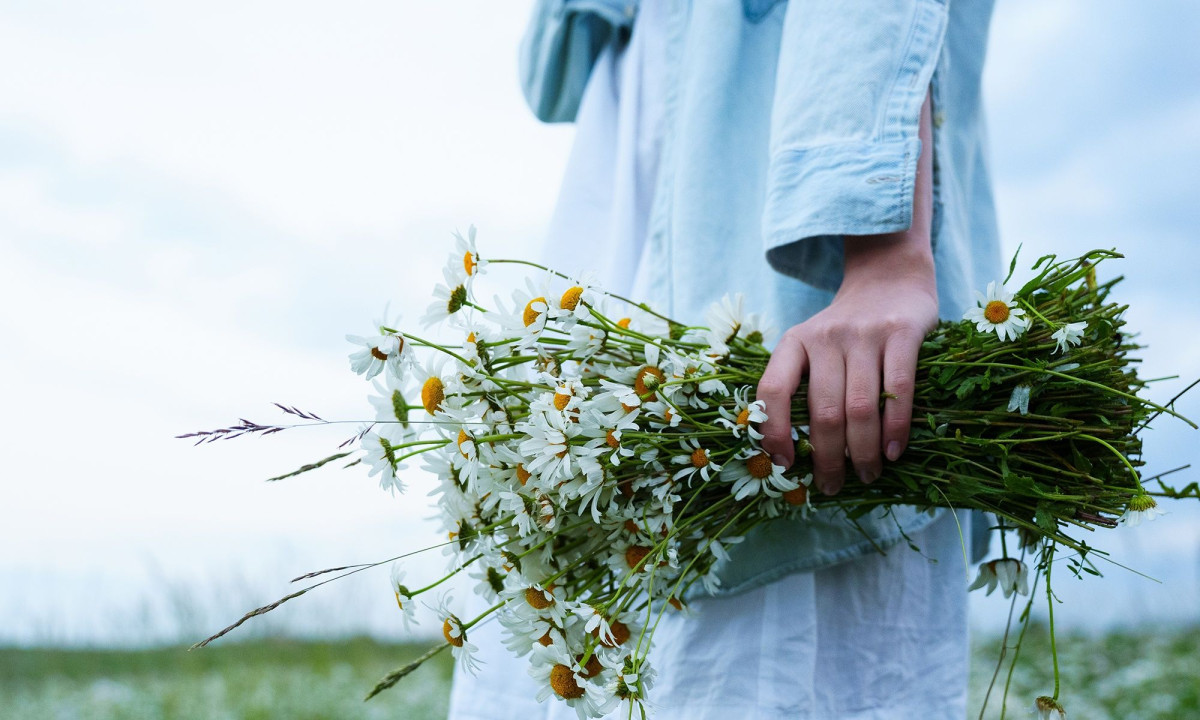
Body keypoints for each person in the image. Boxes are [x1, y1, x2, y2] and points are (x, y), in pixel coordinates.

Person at [448, 1, 1001, 717]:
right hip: (640, 190)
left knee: (761, 650)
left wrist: (879, 239)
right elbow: (552, 80)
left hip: (785, 209)